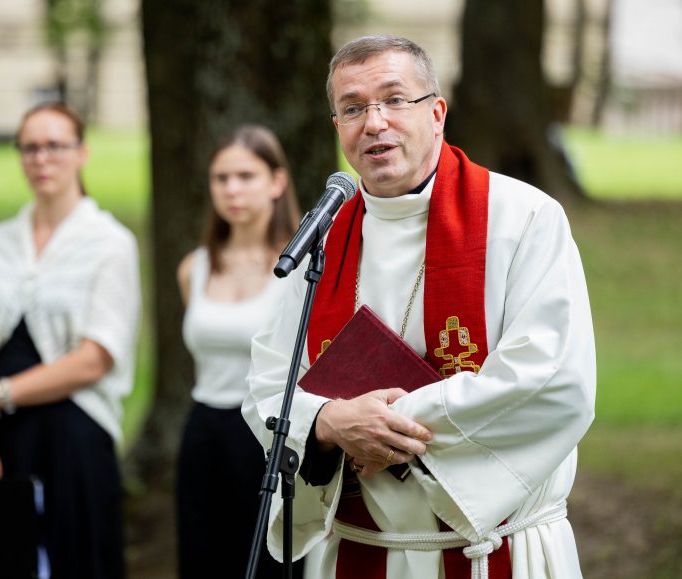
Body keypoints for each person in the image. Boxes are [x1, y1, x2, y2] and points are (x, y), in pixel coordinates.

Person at [242, 34, 596, 578]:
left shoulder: (522, 218)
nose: (374, 122)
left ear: (436, 113)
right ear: (337, 128)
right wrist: (330, 421)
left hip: (492, 551)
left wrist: (384, 425)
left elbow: (551, 379)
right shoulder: (324, 236)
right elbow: (268, 385)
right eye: (353, 108)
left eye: (394, 100)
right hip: (355, 550)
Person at [0, 102, 141, 578]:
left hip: (73, 440)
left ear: (81, 153)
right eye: (29, 147)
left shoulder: (110, 243)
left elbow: (92, 361)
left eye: (55, 145)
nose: (41, 158)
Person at [175, 125, 304, 579]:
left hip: (267, 436)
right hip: (203, 430)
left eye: (246, 176)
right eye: (221, 178)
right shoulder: (196, 267)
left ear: (277, 181)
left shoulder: (302, 268)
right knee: (202, 558)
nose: (232, 189)